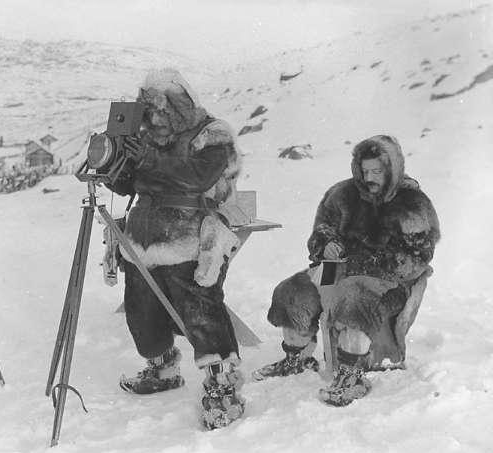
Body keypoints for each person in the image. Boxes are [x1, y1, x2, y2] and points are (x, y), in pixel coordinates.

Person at [253, 135, 440, 406]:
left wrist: (366, 266)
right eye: (365, 171)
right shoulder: (342, 194)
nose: (370, 177)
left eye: (377, 171)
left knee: (353, 299)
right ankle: (297, 357)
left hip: (386, 281)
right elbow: (322, 229)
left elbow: (417, 257)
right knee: (293, 291)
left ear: (393, 168)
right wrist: (327, 244)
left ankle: (350, 376)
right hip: (336, 268)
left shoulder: (413, 204)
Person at [106, 68, 245, 429]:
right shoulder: (147, 138)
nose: (153, 120)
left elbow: (198, 176)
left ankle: (223, 385)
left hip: (191, 236)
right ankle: (162, 366)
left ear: (180, 107)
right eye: (148, 112)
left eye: (160, 111)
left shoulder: (212, 134)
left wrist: (149, 160)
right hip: (144, 236)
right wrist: (116, 164)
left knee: (200, 312)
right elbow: (128, 187)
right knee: (142, 311)